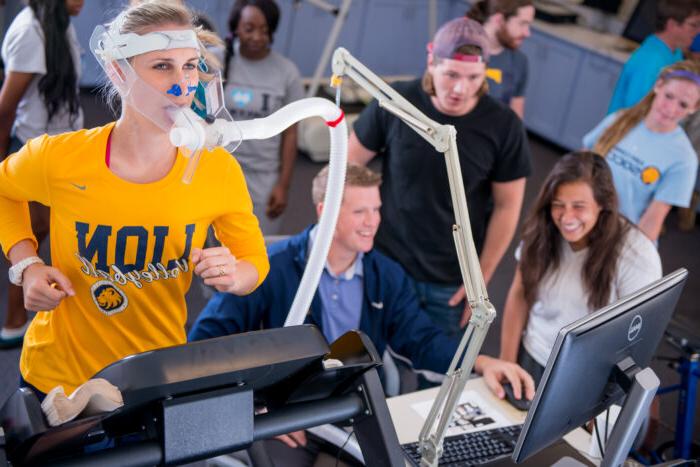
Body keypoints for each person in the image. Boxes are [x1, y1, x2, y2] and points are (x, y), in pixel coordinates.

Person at [0, 1, 269, 398]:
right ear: (117, 71)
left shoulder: (217, 170)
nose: (183, 86)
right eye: (162, 66)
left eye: (190, 65)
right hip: (58, 378)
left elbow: (254, 262)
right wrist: (26, 264)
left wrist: (235, 276)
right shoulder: (59, 157)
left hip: (154, 378)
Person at [190, 164, 535, 464]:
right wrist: (252, 411)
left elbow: (422, 341)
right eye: (360, 212)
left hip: (356, 409)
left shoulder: (385, 275)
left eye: (376, 209)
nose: (373, 222)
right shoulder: (270, 268)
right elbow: (204, 346)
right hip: (288, 417)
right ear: (325, 212)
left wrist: (482, 363)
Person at [348, 17, 531, 338]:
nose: (461, 89)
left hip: (450, 280)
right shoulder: (397, 102)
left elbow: (507, 207)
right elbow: (348, 166)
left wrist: (481, 277)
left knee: (437, 376)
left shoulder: (504, 127)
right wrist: (353, 235)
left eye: (474, 77)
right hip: (385, 261)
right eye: (451, 75)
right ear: (431, 61)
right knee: (366, 362)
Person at [499, 151, 662, 384]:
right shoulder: (542, 232)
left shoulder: (638, 255)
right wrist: (507, 362)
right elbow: (519, 294)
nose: (566, 217)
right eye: (558, 205)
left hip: (587, 378)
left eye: (578, 206)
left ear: (602, 204)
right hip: (533, 357)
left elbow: (635, 342)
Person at [0, 0, 84, 348]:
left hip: (63, 148)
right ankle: (13, 324)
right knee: (31, 236)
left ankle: (23, 319)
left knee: (50, 230)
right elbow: (5, 108)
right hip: (35, 152)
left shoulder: (59, 22)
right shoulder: (31, 31)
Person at [584, 60, 700, 243]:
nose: (670, 109)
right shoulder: (620, 119)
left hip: (618, 242)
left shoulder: (684, 159)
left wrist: (634, 262)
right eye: (669, 96)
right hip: (580, 224)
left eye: (683, 105)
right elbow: (578, 166)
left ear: (694, 108)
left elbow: (652, 221)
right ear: (658, 85)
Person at [222, 0, 304, 234]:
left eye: (265, 30)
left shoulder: (286, 72)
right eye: (249, 28)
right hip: (221, 169)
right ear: (236, 28)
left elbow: (291, 133)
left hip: (264, 177)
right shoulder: (218, 61)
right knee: (213, 249)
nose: (257, 36)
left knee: (259, 249)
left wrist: (283, 185)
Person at [608, 0, 700, 114]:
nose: (698, 31)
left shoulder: (674, 53)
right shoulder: (650, 60)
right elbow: (637, 111)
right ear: (671, 24)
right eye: (693, 25)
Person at [467, 0, 534, 118]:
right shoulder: (459, 49)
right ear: (499, 20)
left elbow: (516, 117)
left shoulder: (519, 62)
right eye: (522, 24)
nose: (527, 33)